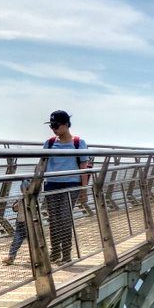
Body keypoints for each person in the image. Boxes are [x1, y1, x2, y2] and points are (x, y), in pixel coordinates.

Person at [42, 110, 93, 264]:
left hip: (71, 184)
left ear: (65, 124)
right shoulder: (50, 143)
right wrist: (36, 184)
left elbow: (84, 166)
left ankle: (66, 254)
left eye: (56, 125)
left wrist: (84, 190)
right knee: (54, 219)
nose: (53, 128)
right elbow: (42, 164)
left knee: (65, 218)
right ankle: (55, 252)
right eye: (51, 125)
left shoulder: (78, 142)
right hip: (51, 184)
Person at [2, 182, 28, 266]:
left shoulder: (31, 198)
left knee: (31, 241)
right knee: (16, 240)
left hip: (28, 222)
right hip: (20, 222)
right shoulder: (21, 198)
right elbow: (14, 208)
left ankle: (38, 257)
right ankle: (11, 257)